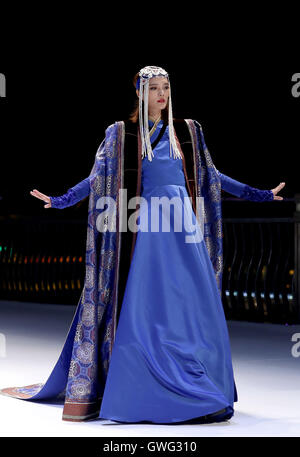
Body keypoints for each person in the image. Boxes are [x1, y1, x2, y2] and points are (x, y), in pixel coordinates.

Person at [0, 66, 285, 424]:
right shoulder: (122, 134)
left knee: (194, 307)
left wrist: (256, 194)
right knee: (149, 309)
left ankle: (200, 381)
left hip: (184, 228)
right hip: (148, 228)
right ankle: (148, 388)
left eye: (166, 88)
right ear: (140, 93)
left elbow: (212, 175)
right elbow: (98, 177)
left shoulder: (188, 131)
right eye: (154, 89)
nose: (162, 95)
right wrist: (62, 199)